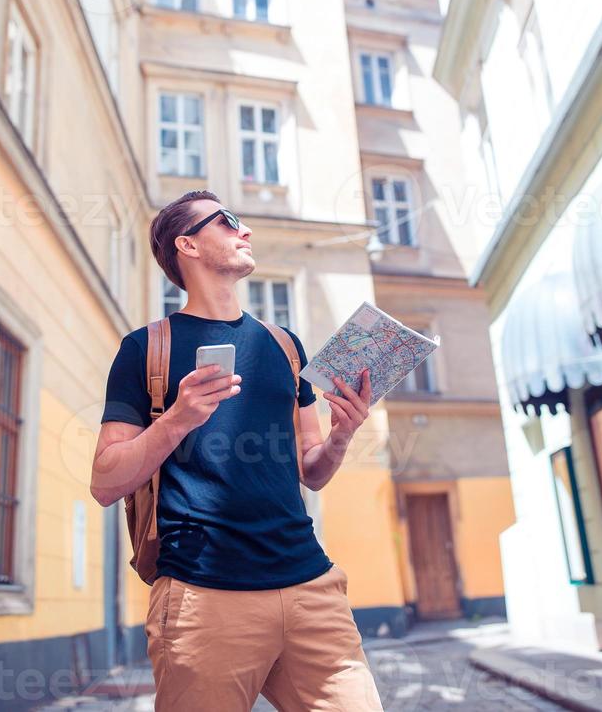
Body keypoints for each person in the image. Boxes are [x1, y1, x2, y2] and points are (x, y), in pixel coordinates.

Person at [90, 189, 383, 711]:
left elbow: (310, 471)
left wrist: (341, 435)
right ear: (188, 245)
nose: (245, 231)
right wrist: (178, 418)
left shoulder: (285, 345)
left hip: (312, 587)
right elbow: (106, 480)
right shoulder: (144, 348)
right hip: (204, 597)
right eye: (227, 222)